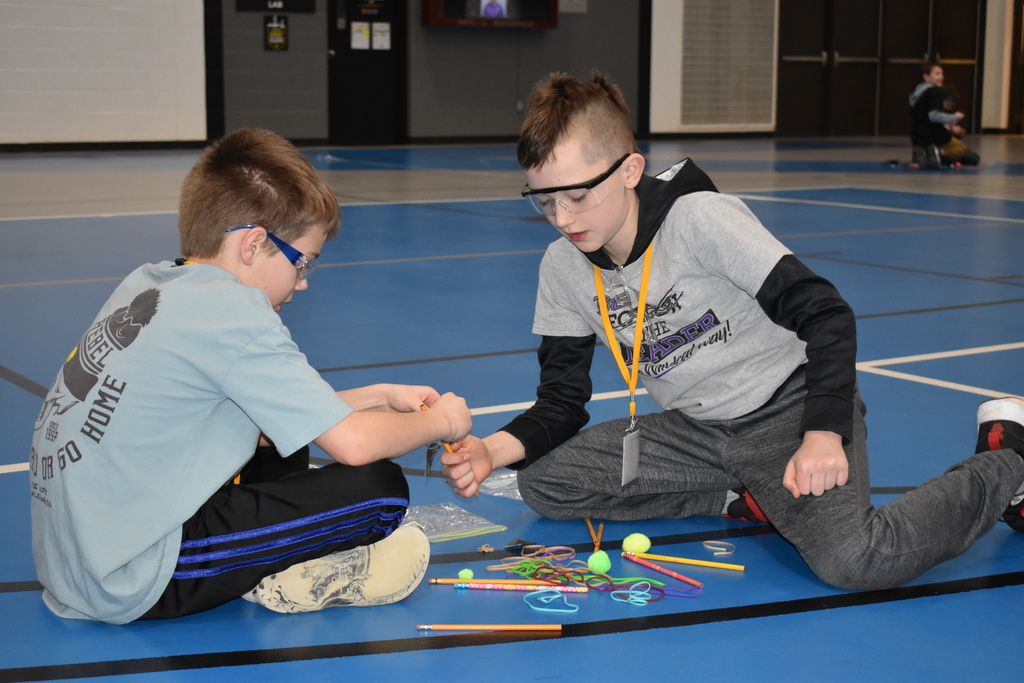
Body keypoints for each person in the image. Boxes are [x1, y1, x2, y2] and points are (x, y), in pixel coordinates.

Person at [441, 71, 1024, 591]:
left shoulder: (699, 220)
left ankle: (1009, 461)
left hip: (787, 412)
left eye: (577, 196)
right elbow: (561, 403)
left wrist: (824, 432)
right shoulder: (562, 268)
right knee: (545, 486)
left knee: (856, 561)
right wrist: (492, 451)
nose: (563, 219)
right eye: (544, 202)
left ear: (630, 170)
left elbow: (826, 313)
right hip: (697, 431)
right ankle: (746, 494)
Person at [29, 128, 472, 624]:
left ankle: (272, 557)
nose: (303, 282)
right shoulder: (232, 311)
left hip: (75, 559)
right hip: (134, 574)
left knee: (290, 435)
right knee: (382, 489)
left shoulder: (153, 284)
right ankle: (287, 572)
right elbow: (355, 448)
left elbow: (269, 420)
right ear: (255, 243)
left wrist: (378, 396)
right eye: (301, 261)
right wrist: (446, 422)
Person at [909, 62, 979, 168]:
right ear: (926, 77)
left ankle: (923, 152)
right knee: (969, 155)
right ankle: (938, 153)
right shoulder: (935, 91)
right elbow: (934, 116)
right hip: (933, 135)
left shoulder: (918, 93)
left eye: (941, 74)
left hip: (917, 136)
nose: (941, 77)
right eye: (937, 74)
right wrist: (954, 118)